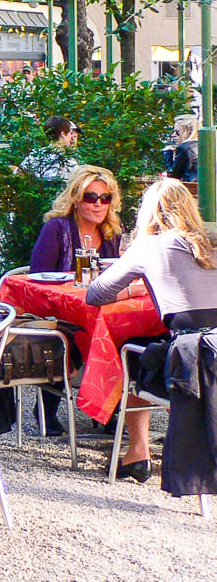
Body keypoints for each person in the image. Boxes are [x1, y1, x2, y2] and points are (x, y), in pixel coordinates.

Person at [87, 179, 217, 483]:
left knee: (135, 351)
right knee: (157, 345)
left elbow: (95, 294)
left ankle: (138, 451)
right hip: (211, 354)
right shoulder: (210, 240)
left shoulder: (149, 245)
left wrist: (133, 289)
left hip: (193, 365)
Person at [30, 165, 124, 273]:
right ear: (75, 199)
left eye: (105, 198)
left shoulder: (115, 230)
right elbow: (39, 275)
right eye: (91, 197)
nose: (98, 204)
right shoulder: (56, 229)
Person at [19, 116, 80, 181]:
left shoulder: (36, 154)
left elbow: (20, 174)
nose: (71, 137)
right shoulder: (69, 162)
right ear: (63, 134)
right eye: (70, 133)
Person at [164, 115, 199, 182]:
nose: (174, 135)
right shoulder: (208, 145)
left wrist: (167, 154)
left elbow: (174, 176)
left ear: (187, 131)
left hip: (190, 186)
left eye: (177, 132)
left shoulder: (184, 148)